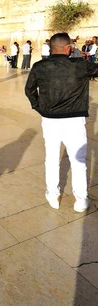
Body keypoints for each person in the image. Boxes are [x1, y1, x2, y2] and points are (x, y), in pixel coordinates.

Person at [25, 32, 98, 213]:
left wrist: (39, 107)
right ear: (68, 48)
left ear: (51, 47)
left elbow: (29, 90)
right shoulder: (80, 65)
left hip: (49, 120)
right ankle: (80, 200)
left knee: (51, 157)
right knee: (78, 160)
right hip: (74, 120)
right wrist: (81, 57)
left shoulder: (39, 66)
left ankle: (53, 195)